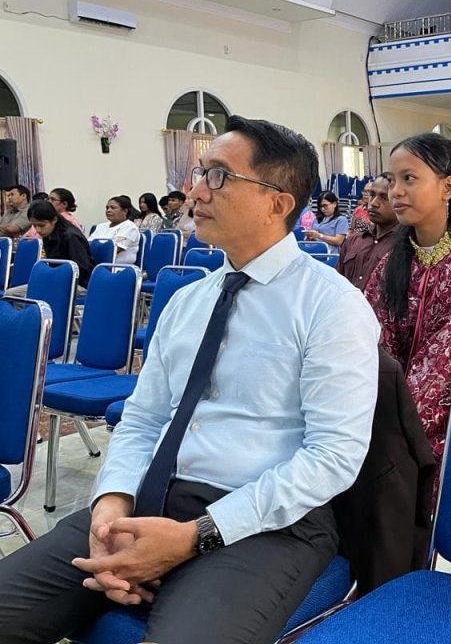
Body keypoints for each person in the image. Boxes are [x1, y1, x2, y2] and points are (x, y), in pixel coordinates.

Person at [0, 115, 380, 644]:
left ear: (277, 202)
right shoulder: (188, 300)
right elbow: (144, 418)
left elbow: (333, 456)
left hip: (266, 521)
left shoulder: (331, 307)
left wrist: (193, 537)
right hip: (152, 497)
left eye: (218, 176)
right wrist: (111, 504)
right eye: (201, 172)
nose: (196, 190)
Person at [364, 134, 451, 478]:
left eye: (409, 178)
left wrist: (389, 426)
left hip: (449, 422)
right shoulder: (392, 262)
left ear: (447, 187)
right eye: (392, 180)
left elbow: (445, 365)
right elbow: (371, 340)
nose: (396, 191)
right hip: (384, 414)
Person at [337, 174, 399, 292]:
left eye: (384, 198)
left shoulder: (405, 246)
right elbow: (337, 284)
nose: (373, 203)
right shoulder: (352, 241)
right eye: (372, 195)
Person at [25, 200, 94, 288]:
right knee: (12, 293)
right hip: (56, 280)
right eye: (34, 226)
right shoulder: (48, 234)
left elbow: (82, 268)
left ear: (54, 220)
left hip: (77, 284)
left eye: (42, 225)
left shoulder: (71, 236)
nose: (38, 230)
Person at [89, 196, 141, 264]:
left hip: (117, 267)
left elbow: (112, 251)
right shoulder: (101, 226)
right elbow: (88, 246)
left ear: (125, 211)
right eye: (107, 208)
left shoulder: (130, 227)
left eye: (113, 208)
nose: (108, 210)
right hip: (95, 264)